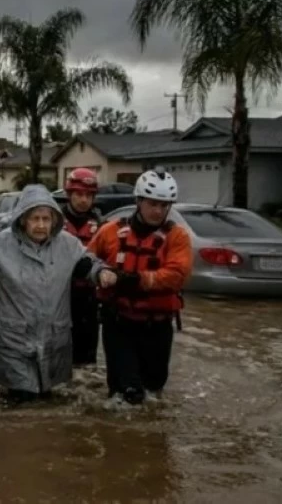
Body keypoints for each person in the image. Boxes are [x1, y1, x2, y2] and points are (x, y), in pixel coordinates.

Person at [0, 184, 118, 402]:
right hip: (13, 340)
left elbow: (88, 263)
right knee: (22, 403)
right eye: (35, 218)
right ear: (23, 219)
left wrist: (103, 273)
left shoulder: (68, 244)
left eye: (46, 219)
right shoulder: (0, 244)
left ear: (54, 220)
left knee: (48, 405)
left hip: (53, 339)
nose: (41, 225)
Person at [88, 168, 193, 405]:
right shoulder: (110, 231)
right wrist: (100, 273)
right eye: (153, 204)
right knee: (127, 393)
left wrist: (130, 279)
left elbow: (176, 275)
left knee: (154, 389)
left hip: (157, 326)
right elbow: (86, 259)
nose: (159, 211)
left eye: (165, 205)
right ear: (139, 201)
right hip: (119, 323)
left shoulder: (178, 237)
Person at [60, 168, 103, 366]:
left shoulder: (101, 225)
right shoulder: (53, 221)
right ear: (69, 194)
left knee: (86, 358)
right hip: (60, 296)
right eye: (79, 194)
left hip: (88, 297)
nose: (84, 200)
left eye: (88, 195)